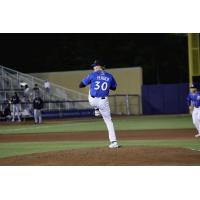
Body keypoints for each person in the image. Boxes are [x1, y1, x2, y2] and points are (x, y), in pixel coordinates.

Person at [79, 60, 119, 148]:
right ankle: (114, 142)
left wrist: (89, 80)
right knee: (109, 121)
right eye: (94, 66)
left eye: (95, 66)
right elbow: (114, 88)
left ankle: (96, 108)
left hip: (92, 100)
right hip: (103, 101)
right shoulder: (110, 76)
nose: (94, 67)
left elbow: (80, 85)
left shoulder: (92, 75)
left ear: (99, 66)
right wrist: (106, 83)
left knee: (90, 89)